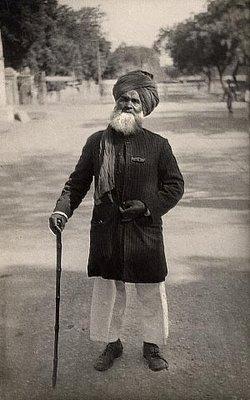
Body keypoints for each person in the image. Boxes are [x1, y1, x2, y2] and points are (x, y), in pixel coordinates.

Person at [49, 70, 184, 372]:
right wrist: (61, 210)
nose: (128, 104)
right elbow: (78, 182)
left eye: (135, 100)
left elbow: (175, 186)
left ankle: (152, 346)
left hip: (144, 232)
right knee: (109, 292)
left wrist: (148, 207)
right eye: (123, 98)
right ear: (116, 101)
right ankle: (113, 344)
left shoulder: (158, 145)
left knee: (150, 291)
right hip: (106, 232)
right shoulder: (97, 142)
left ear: (144, 107)